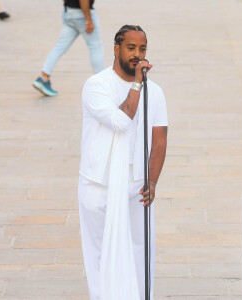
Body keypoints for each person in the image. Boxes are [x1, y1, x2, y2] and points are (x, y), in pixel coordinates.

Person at [78, 25, 168, 300]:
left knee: (141, 251)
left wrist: (151, 181)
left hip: (136, 183)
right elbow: (120, 120)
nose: (137, 55)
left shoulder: (156, 92)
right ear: (116, 49)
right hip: (99, 183)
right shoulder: (96, 85)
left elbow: (160, 140)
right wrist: (137, 84)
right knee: (98, 253)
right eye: (131, 48)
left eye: (142, 49)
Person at [32, 0, 104, 97]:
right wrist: (88, 19)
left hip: (68, 12)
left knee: (59, 47)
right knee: (95, 46)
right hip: (82, 13)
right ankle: (103, 86)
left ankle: (43, 78)